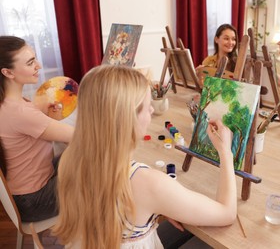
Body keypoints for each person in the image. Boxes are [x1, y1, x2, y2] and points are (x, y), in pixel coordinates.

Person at [53, 65, 237, 249]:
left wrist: (157, 208)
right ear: (127, 119)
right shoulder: (146, 182)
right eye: (146, 106)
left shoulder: (70, 159)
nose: (151, 110)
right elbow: (227, 214)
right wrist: (225, 152)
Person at [0, 35, 74, 222]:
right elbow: (79, 136)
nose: (38, 66)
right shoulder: (21, 111)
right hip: (35, 200)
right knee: (99, 172)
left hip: (19, 196)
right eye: (31, 62)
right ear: (8, 72)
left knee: (78, 159)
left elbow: (25, 127)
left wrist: (42, 114)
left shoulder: (9, 104)